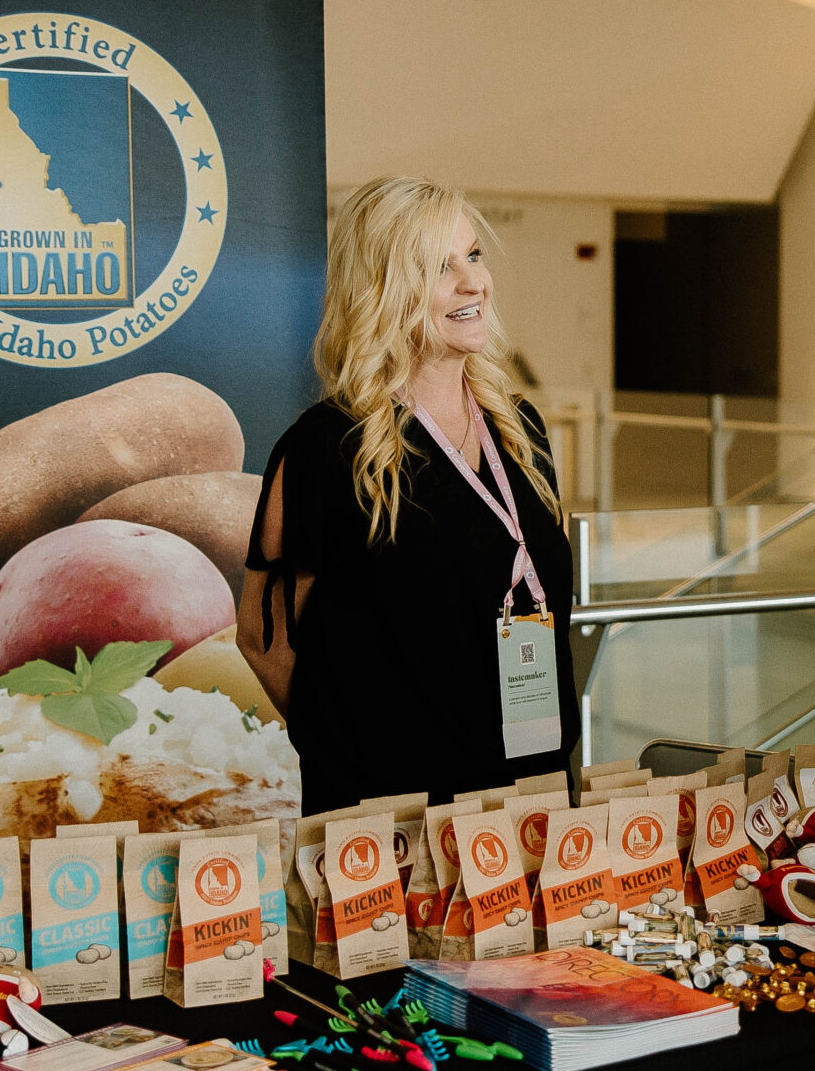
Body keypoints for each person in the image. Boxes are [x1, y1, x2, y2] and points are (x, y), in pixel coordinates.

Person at [240, 177, 579, 811]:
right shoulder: (327, 446)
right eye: (437, 267)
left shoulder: (520, 428)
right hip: (394, 814)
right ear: (381, 290)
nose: (473, 283)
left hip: (531, 796)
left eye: (473, 256)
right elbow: (265, 635)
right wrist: (355, 752)